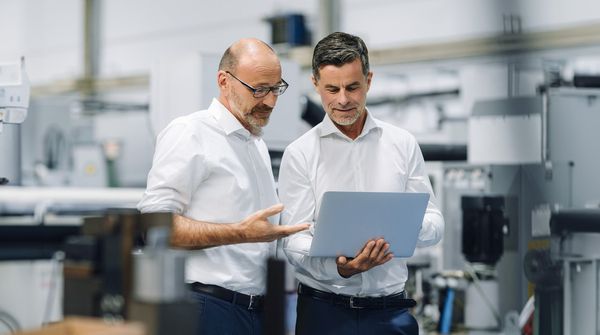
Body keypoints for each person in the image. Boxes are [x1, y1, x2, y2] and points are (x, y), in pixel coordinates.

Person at [137, 38, 309, 335]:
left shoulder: (256, 145)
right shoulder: (190, 132)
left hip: (258, 310)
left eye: (276, 88)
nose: (269, 101)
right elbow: (154, 226)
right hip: (209, 308)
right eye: (258, 89)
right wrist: (239, 233)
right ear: (224, 81)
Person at [278, 32, 445, 335]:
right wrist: (342, 268)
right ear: (315, 84)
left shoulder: (402, 144)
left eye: (353, 87)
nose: (342, 99)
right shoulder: (300, 153)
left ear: (369, 80)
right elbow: (293, 241)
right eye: (332, 88)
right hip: (323, 314)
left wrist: (403, 227)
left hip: (390, 314)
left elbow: (434, 221)